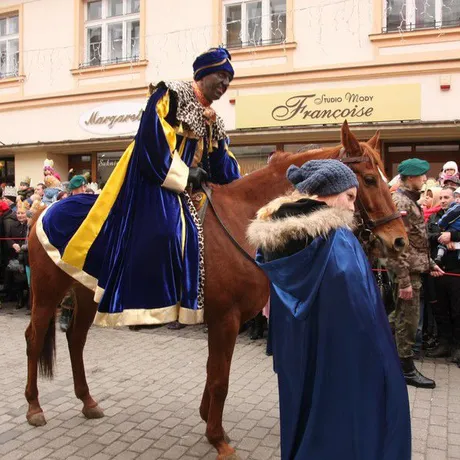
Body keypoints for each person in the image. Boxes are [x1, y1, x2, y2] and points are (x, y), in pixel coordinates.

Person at [39, 47, 240, 328]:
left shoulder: (213, 119)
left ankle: (188, 300)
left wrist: (238, 184)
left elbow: (224, 165)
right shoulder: (170, 94)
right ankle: (143, 306)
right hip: (154, 175)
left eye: (229, 79)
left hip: (187, 185)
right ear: (203, 74)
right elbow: (152, 144)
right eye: (221, 75)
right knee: (167, 228)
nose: (225, 84)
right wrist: (186, 173)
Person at [247, 159, 411, 460]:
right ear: (327, 193)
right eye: (349, 196)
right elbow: (364, 317)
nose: (352, 206)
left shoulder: (275, 240)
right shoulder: (338, 240)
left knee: (303, 415)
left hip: (296, 358)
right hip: (345, 364)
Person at [387, 159, 444, 388]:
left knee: (399, 318)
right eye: (421, 176)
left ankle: (381, 353)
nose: (424, 180)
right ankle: (406, 370)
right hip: (406, 272)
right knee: (407, 321)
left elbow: (417, 242)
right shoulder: (400, 201)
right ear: (410, 178)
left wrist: (430, 263)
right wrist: (404, 282)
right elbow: (397, 246)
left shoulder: (409, 200)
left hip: (413, 269)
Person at [427, 187, 460, 360]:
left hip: (456, 270)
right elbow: (427, 234)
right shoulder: (434, 216)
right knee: (440, 309)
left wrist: (453, 235)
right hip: (438, 269)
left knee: (457, 310)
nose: (443, 200)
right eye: (441, 198)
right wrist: (443, 237)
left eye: (447, 197)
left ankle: (457, 346)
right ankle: (444, 343)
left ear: (455, 198)